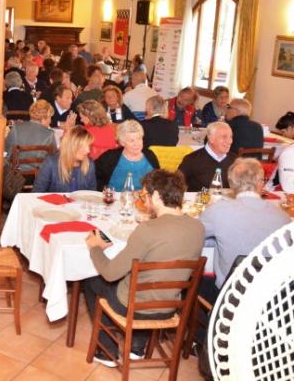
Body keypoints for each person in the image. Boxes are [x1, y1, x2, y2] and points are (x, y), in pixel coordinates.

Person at [83, 169, 204, 367]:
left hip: (135, 307)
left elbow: (110, 273)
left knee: (91, 279)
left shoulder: (147, 230)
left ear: (156, 196)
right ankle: (136, 348)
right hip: (169, 307)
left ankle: (106, 351)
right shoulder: (198, 227)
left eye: (144, 195)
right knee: (147, 281)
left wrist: (95, 248)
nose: (143, 200)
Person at [198, 158, 290, 302]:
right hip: (271, 299)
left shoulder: (218, 211)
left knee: (194, 281)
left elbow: (194, 236)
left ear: (232, 184)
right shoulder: (283, 217)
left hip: (230, 297)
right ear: (260, 184)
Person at [95, 119, 160, 190]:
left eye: (139, 139)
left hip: (144, 196)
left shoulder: (150, 156)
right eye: (132, 141)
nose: (137, 144)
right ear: (122, 142)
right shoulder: (109, 157)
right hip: (116, 196)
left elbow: (159, 182)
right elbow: (96, 178)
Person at [33, 126, 96, 192]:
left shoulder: (89, 164)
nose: (88, 150)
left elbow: (92, 193)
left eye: (89, 146)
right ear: (71, 146)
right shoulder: (51, 163)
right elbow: (37, 192)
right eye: (83, 146)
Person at [178, 121, 238, 191]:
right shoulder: (192, 160)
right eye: (224, 137)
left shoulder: (235, 161)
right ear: (211, 138)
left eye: (231, 137)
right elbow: (176, 184)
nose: (230, 141)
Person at [4, 99, 56, 167]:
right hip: (37, 172)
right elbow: (54, 158)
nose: (50, 121)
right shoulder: (49, 134)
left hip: (15, 171)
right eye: (50, 118)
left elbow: (6, 151)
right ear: (44, 118)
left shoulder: (16, 128)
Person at [275, 112, 294, 192]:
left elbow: (288, 187)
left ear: (290, 128)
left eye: (283, 132)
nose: (283, 135)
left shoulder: (288, 152)